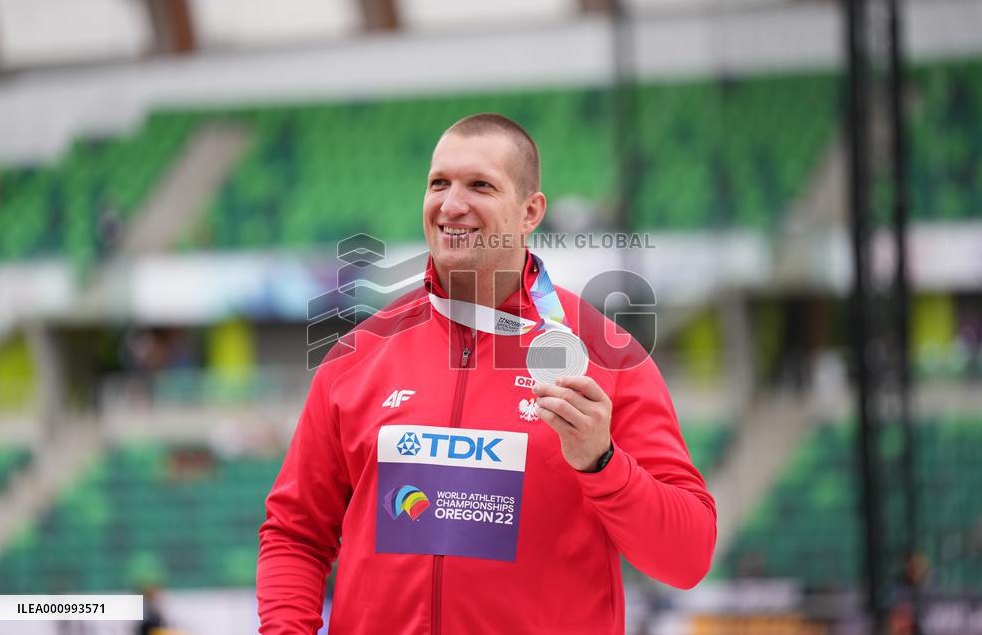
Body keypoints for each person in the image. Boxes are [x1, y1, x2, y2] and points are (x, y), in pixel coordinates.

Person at [257, 113, 716, 634]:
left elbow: (688, 558)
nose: (452, 206)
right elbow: (294, 534)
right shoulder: (357, 356)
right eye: (439, 184)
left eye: (480, 185)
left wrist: (602, 462)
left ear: (530, 211)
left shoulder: (607, 358)